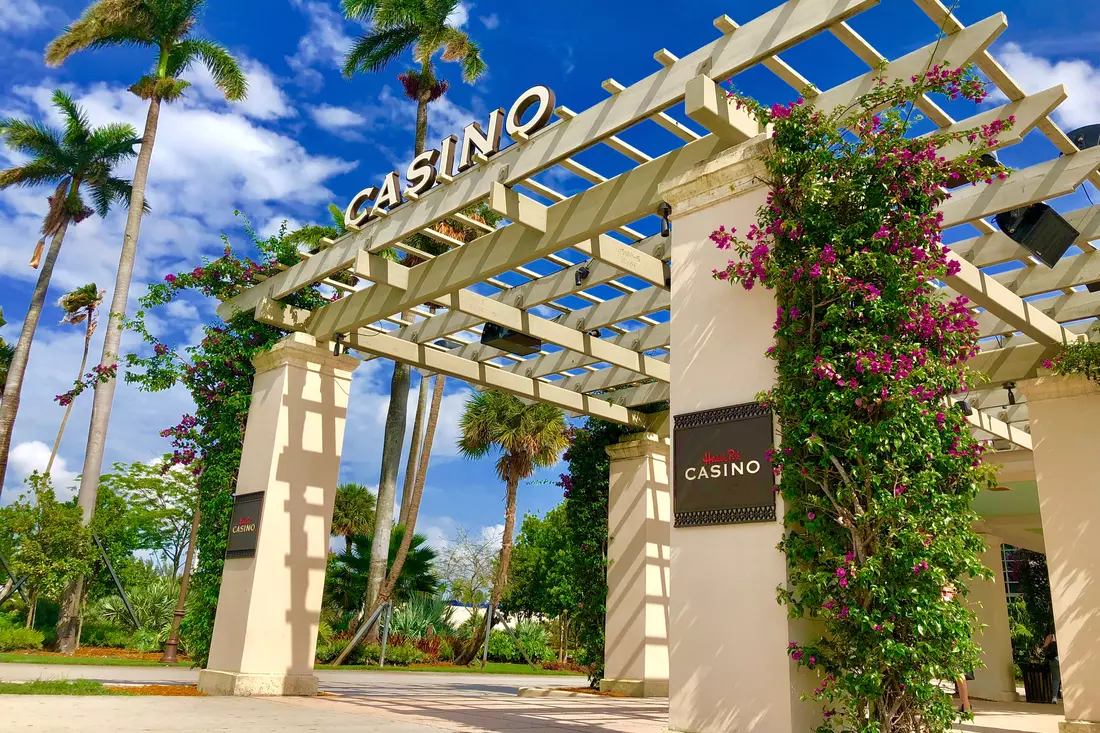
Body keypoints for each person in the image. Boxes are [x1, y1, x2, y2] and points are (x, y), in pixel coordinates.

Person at [942, 583, 973, 713]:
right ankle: (964, 703)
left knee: (959, 673)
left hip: (956, 644)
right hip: (946, 644)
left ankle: (965, 703)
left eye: (946, 592)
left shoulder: (954, 609)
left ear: (953, 594)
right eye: (942, 591)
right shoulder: (941, 607)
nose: (943, 594)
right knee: (959, 674)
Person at [1044, 633, 1061, 704]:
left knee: (1056, 679)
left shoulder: (1051, 635)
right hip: (1062, 660)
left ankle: (1054, 697)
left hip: (1055, 660)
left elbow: (1045, 645)